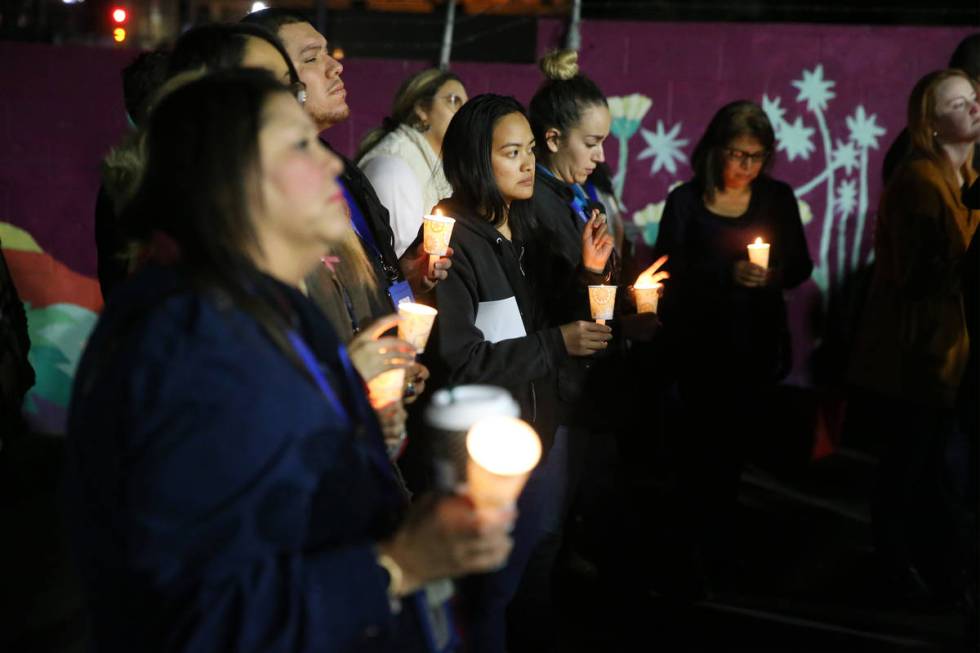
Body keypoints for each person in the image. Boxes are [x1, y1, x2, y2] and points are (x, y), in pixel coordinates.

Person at [66, 69, 515, 653]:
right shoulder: (185, 343)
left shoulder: (270, 306)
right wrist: (397, 564)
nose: (333, 165)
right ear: (230, 174)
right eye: (301, 144)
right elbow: (194, 618)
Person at [412, 93, 610, 652]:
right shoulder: (446, 245)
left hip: (534, 435)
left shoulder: (519, 230)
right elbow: (462, 359)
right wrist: (556, 344)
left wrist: (587, 276)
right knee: (484, 599)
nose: (528, 164)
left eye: (528, 150)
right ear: (477, 160)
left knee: (530, 570)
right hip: (476, 455)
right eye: (512, 152)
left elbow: (536, 321)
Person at [653, 100, 812, 593]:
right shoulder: (685, 201)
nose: (745, 166)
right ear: (714, 150)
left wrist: (770, 277)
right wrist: (725, 273)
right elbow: (666, 269)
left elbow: (801, 266)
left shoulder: (776, 199)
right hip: (698, 352)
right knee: (696, 460)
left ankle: (723, 554)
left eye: (757, 156)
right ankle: (687, 557)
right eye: (737, 154)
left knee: (734, 460)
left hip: (754, 351)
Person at [849, 69, 979, 604]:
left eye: (974, 99)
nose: (973, 109)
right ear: (929, 123)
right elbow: (921, 276)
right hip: (917, 353)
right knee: (915, 466)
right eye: (957, 104)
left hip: (945, 351)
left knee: (927, 466)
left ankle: (920, 567)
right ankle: (901, 569)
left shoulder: (961, 179)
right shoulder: (921, 183)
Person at [242, 8, 451, 300]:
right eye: (312, 58)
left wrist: (405, 274)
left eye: (328, 53)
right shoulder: (262, 191)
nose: (335, 66)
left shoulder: (341, 169)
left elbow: (362, 289)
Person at [357, 69, 468, 258]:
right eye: (453, 101)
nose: (463, 113)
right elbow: (400, 265)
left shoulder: (439, 166)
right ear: (422, 110)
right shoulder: (392, 169)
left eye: (466, 106)